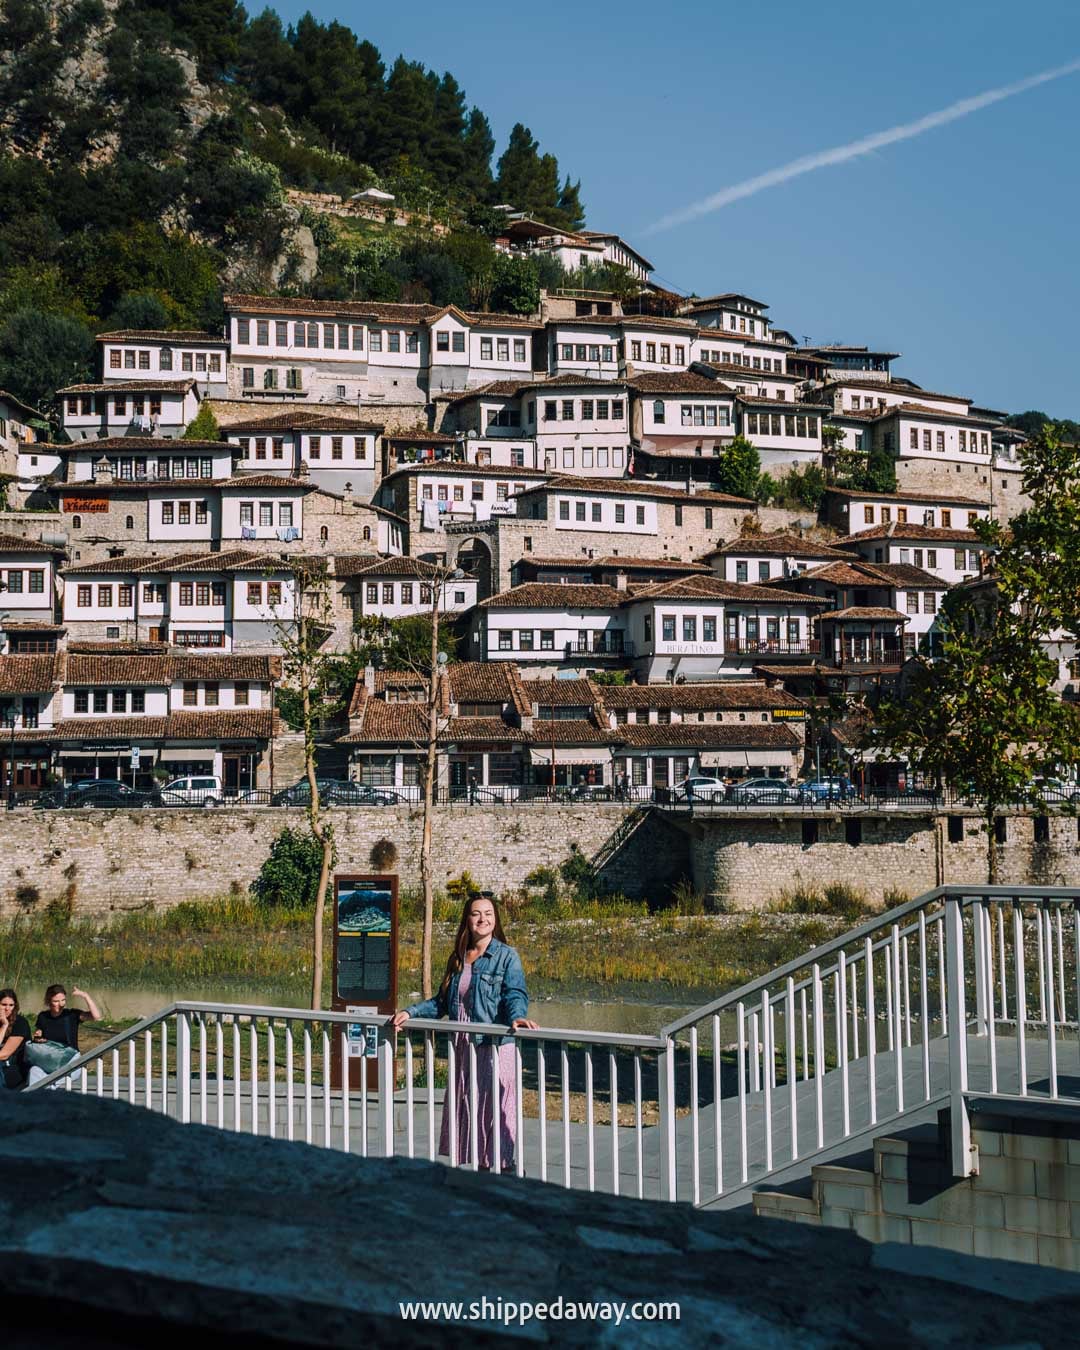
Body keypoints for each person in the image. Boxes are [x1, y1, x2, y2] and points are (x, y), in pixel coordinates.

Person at [391, 893, 537, 1172]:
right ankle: (481, 1171)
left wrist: (518, 1017)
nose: (483, 919)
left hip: (494, 1045)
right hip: (463, 1047)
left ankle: (504, 1169)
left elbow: (515, 993)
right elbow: (442, 1002)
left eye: (488, 914)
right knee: (470, 1110)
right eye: (476, 914)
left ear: (495, 921)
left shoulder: (507, 956)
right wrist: (411, 1012)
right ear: (467, 920)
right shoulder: (458, 958)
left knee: (498, 1111)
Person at [33, 984, 101, 1051]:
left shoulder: (71, 1015)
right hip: (50, 1056)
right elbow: (38, 1036)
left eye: (63, 1000)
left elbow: (96, 1017)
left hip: (69, 1057)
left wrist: (86, 996)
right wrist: (38, 1038)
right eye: (56, 1001)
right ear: (48, 1001)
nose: (61, 1004)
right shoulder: (43, 1016)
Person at [0, 990, 31, 1091]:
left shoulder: (20, 1023)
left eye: (11, 1005)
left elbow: (4, 1054)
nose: (7, 1008)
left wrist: (5, 1024)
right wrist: (4, 1026)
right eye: (3, 1004)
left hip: (15, 1067)